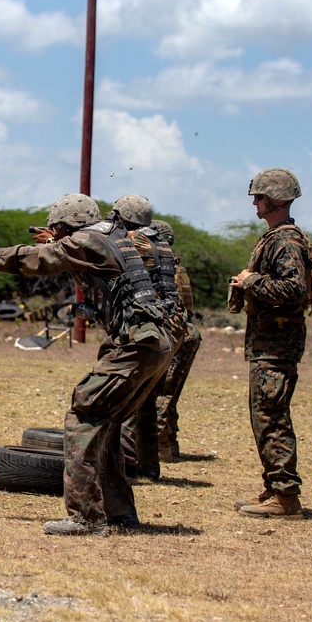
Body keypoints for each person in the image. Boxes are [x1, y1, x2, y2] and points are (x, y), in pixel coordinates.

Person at [0, 193, 174, 534]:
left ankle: (86, 517)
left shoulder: (88, 239)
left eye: (56, 229)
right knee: (107, 424)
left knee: (84, 418)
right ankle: (120, 514)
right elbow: (70, 254)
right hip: (154, 343)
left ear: (65, 226)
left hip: (136, 344)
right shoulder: (111, 235)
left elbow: (44, 257)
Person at [228, 168, 312, 519]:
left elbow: (295, 290)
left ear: (275, 200)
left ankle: (286, 496)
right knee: (263, 415)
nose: (254, 202)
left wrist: (251, 281)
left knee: (272, 415)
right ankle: (273, 487)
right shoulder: (275, 238)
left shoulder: (285, 241)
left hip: (277, 344)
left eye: (260, 197)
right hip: (268, 343)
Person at [109, 195, 184, 482]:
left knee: (126, 397)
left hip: (148, 327)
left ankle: (128, 465)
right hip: (170, 325)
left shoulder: (135, 242)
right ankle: (149, 468)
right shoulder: (159, 241)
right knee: (146, 401)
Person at [152, 219, 203, 462]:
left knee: (160, 390)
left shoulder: (157, 267)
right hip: (186, 331)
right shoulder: (176, 266)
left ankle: (161, 446)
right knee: (170, 392)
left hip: (172, 333)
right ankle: (169, 446)